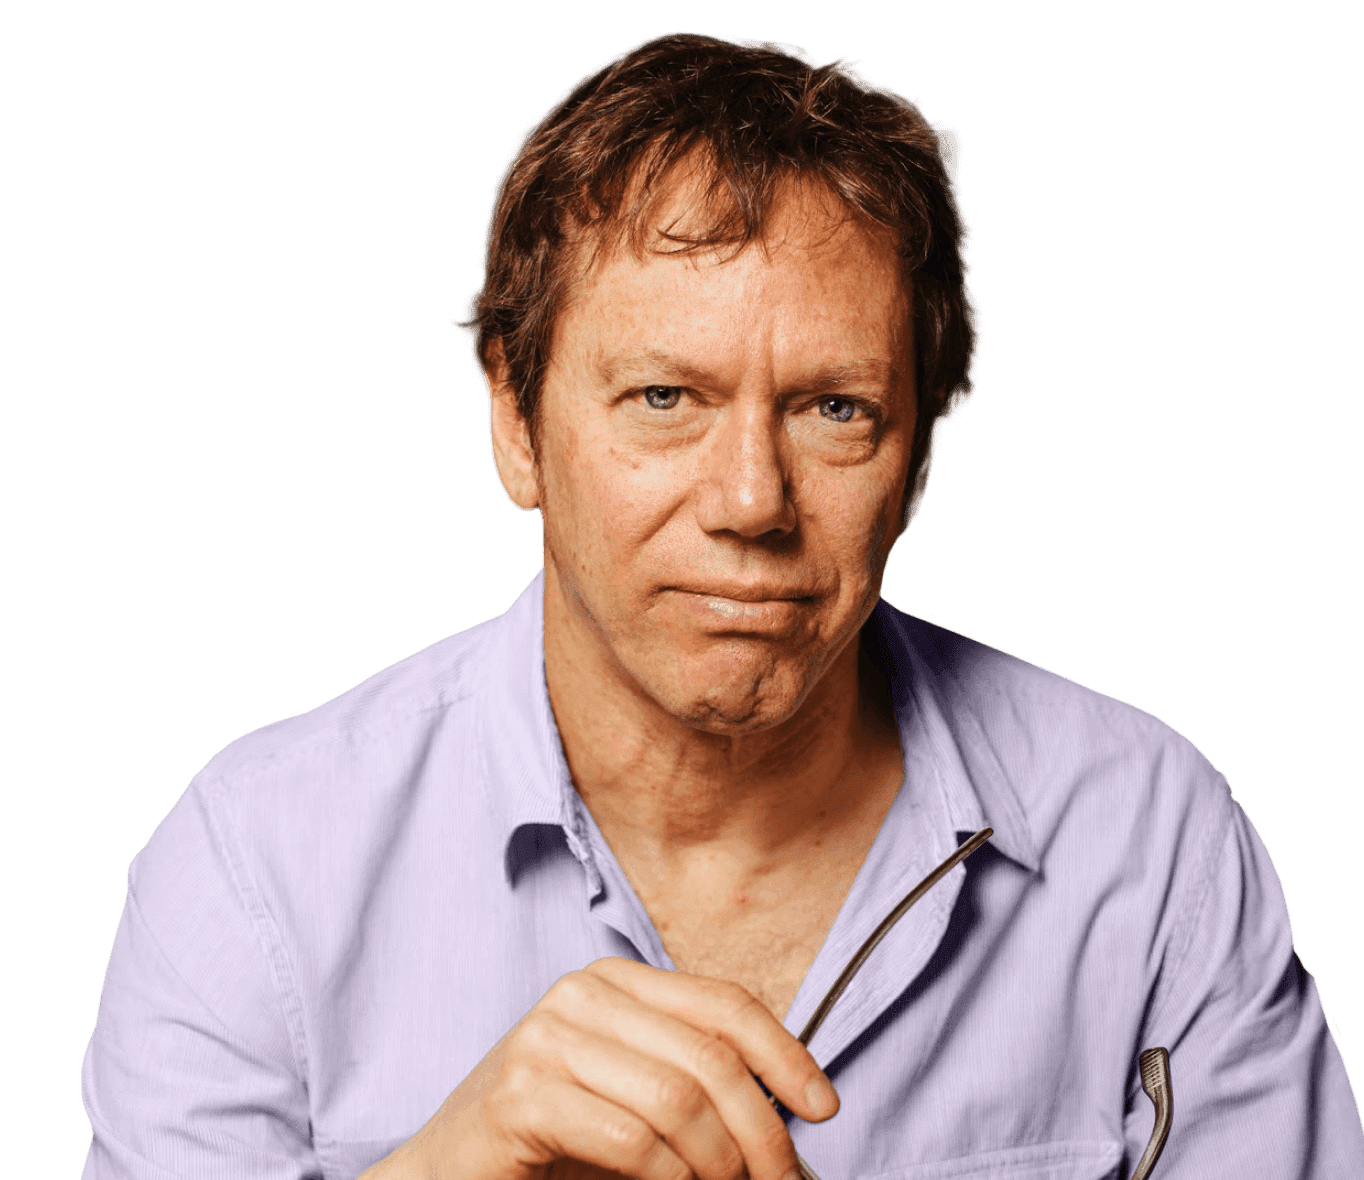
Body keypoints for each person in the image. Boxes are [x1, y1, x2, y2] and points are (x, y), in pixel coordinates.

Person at [81, 32, 1362, 1180]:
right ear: (513, 421)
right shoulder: (252, 871)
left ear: (915, 458)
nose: (752, 499)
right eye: (662, 399)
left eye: (833, 409)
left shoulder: (1149, 849)